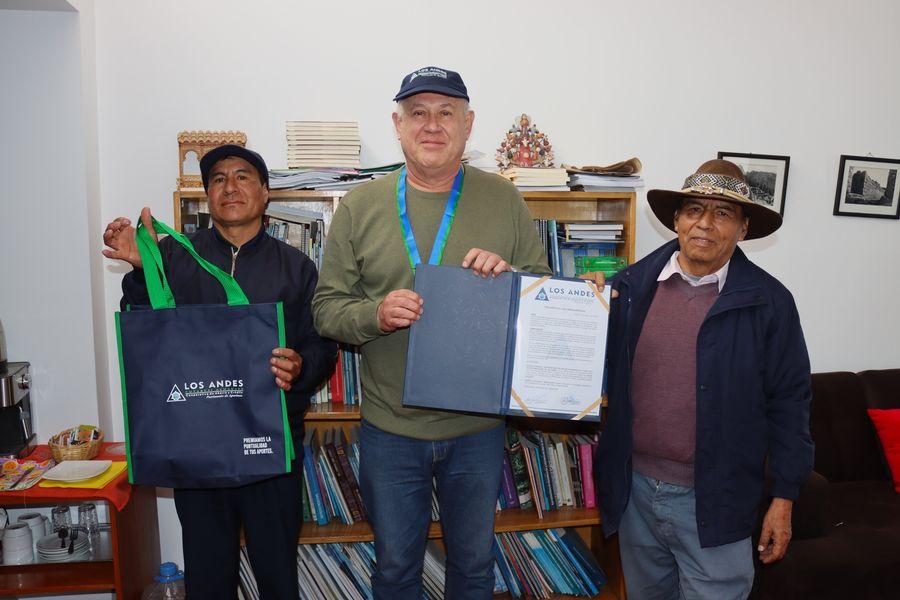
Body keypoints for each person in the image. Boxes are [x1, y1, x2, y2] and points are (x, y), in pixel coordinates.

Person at [311, 66, 550, 599]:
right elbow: (326, 310)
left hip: (477, 430)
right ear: (398, 125)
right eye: (418, 113)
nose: (433, 125)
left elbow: (546, 294)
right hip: (391, 430)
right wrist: (375, 314)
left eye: (447, 113)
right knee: (396, 569)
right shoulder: (359, 207)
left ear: (469, 126)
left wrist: (512, 280)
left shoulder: (504, 198)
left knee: (473, 567)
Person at [102, 144, 336, 599]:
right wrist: (139, 269)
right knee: (208, 582)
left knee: (278, 578)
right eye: (218, 179)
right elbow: (146, 335)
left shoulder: (297, 267)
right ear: (207, 195)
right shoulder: (170, 256)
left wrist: (301, 366)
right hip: (198, 453)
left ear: (266, 194)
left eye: (243, 176)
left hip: (272, 450)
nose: (230, 186)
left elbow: (322, 347)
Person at [594, 159, 814, 599]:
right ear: (676, 220)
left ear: (743, 228)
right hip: (635, 491)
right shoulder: (628, 288)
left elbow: (790, 404)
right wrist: (579, 307)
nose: (705, 225)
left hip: (718, 498)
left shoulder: (769, 303)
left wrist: (784, 497)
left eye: (723, 213)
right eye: (694, 210)